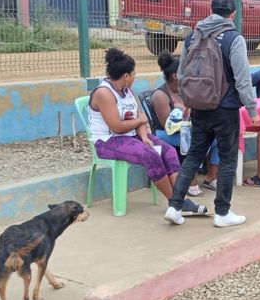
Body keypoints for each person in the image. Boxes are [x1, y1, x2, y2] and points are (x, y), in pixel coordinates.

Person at [163, 0, 260, 227]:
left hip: (199, 106)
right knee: (227, 159)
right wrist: (252, 109)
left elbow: (183, 73)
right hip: (225, 108)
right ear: (233, 14)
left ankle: (175, 206)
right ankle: (222, 213)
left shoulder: (193, 35)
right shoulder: (234, 38)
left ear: (211, 10)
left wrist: (187, 101)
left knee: (194, 155)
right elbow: (242, 78)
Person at [88, 48, 207, 216]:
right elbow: (117, 126)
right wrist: (139, 121)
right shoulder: (104, 93)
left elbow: (140, 116)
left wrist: (144, 136)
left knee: (168, 151)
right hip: (107, 141)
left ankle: (181, 199)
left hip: (132, 135)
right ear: (126, 76)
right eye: (134, 74)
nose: (135, 77)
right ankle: (175, 203)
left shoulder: (128, 90)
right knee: (150, 156)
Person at [150, 51, 220, 196]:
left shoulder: (185, 90)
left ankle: (211, 176)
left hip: (188, 129)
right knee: (194, 140)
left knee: (217, 137)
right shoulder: (160, 95)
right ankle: (190, 181)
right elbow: (167, 125)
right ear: (176, 75)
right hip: (166, 133)